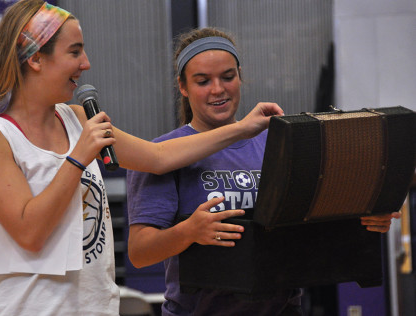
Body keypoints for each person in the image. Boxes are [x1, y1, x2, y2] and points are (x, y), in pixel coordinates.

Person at [0, 1, 282, 315]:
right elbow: (30, 234)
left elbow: (158, 156)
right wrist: (78, 159)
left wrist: (242, 129)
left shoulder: (76, 118)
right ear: (36, 59)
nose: (85, 63)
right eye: (74, 51)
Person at [126, 27, 401, 316]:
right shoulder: (161, 154)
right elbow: (141, 252)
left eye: (228, 77)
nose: (218, 89)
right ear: (183, 87)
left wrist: (368, 217)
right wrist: (189, 231)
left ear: (240, 76)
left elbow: (315, 220)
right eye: (203, 81)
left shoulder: (278, 144)